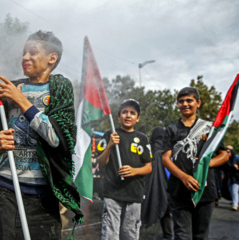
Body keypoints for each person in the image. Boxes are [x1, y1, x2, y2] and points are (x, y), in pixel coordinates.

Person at [0, 30, 83, 239]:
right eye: (24, 52)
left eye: (32, 52)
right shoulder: (7, 89)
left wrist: (21, 100)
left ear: (52, 58)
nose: (25, 57)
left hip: (42, 198)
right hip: (5, 191)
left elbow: (56, 139)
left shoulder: (60, 88)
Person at [162, 87, 229, 240]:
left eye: (189, 100)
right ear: (177, 104)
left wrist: (206, 164)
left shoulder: (210, 128)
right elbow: (166, 159)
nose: (185, 104)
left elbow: (224, 155)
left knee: (201, 235)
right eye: (181, 101)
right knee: (181, 235)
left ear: (198, 103)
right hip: (179, 190)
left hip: (205, 191)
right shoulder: (171, 130)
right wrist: (184, 177)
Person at [98, 99, 152, 240]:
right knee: (110, 234)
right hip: (112, 193)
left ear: (137, 118)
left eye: (132, 113)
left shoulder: (142, 138)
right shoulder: (110, 134)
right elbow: (101, 163)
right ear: (118, 116)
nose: (128, 115)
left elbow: (148, 167)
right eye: (125, 112)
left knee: (130, 233)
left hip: (134, 193)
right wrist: (109, 146)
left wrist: (135, 171)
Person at [226, 145, 239, 210]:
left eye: (229, 151)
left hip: (236, 178)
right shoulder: (227, 159)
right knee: (231, 191)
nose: (227, 152)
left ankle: (235, 205)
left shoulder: (236, 158)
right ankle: (236, 202)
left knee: (234, 191)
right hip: (230, 178)